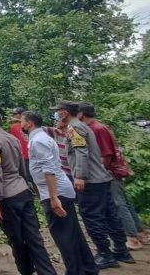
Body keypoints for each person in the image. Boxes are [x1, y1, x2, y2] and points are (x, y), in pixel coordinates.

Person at [54, 101, 134, 268]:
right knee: (110, 214)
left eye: (59, 111)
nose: (57, 115)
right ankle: (121, 250)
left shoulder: (75, 128)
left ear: (65, 113)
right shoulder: (81, 127)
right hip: (101, 179)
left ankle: (105, 254)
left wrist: (80, 176)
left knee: (92, 217)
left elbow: (80, 151)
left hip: (90, 180)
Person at [0, 106, 56, 275]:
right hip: (23, 191)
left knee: (16, 239)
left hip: (7, 197)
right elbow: (22, 165)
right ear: (0, 120)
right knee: (34, 238)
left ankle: (26, 271)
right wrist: (25, 182)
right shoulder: (12, 138)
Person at [23, 110, 98, 275]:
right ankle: (89, 267)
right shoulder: (40, 137)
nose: (21, 124)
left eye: (22, 121)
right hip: (60, 189)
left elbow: (48, 169)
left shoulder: (38, 140)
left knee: (63, 236)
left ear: (29, 123)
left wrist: (53, 197)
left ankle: (75, 271)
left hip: (56, 192)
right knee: (73, 233)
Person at [78, 102, 150, 250]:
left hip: (108, 172)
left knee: (118, 204)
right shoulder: (96, 127)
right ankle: (140, 233)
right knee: (124, 202)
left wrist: (99, 172)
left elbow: (106, 154)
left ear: (81, 114)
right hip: (110, 171)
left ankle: (131, 237)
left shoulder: (96, 129)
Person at [8, 107, 31, 181]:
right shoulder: (29, 124)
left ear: (21, 115)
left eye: (15, 114)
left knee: (26, 179)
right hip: (29, 155)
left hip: (24, 156)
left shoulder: (14, 126)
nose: (13, 115)